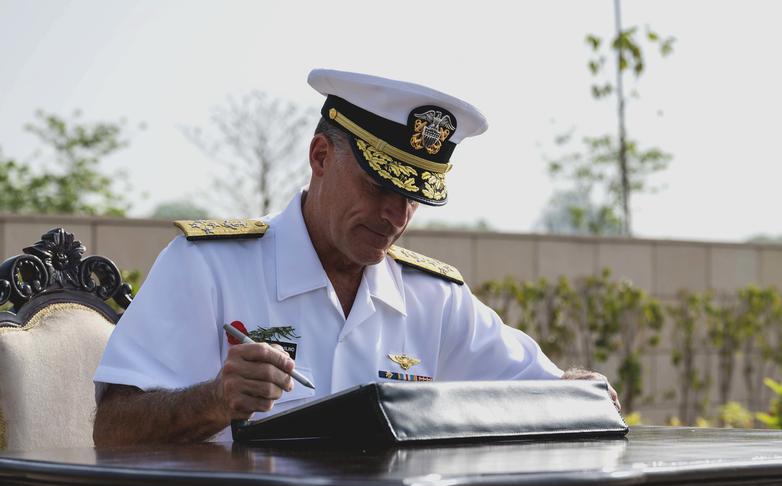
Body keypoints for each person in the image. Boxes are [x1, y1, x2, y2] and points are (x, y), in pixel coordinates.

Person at [93, 69, 617, 446]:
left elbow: (548, 396)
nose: (395, 215)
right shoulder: (206, 265)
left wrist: (575, 389)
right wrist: (214, 399)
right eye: (377, 187)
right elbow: (112, 428)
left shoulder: (433, 297)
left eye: (413, 197)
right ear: (321, 156)